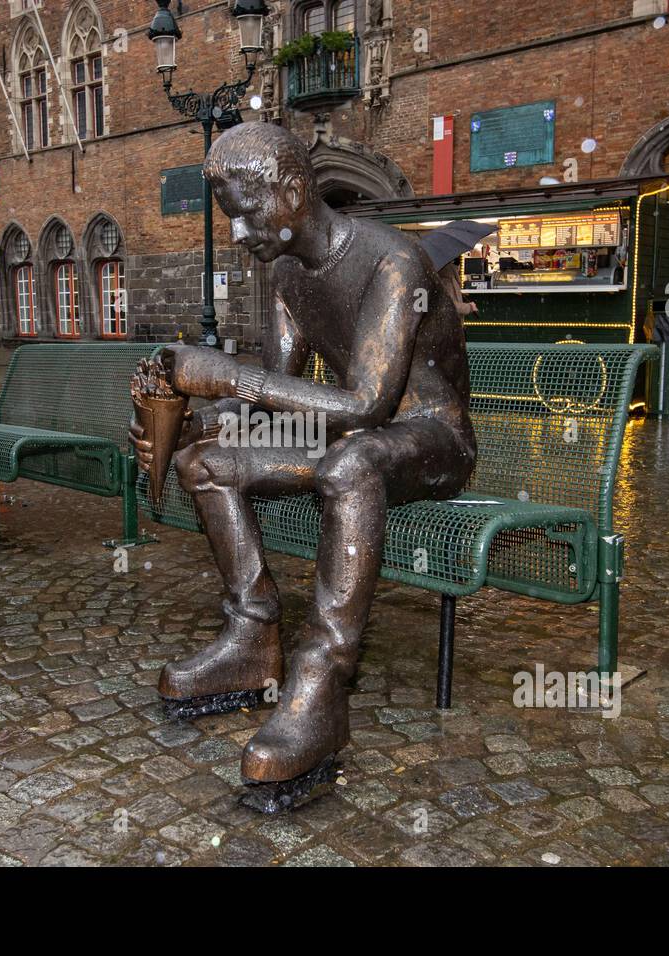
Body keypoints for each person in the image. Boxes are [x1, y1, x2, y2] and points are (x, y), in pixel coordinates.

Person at [130, 123, 476, 791]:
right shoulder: (287, 272)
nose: (236, 233)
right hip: (349, 430)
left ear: (291, 192)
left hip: (431, 439)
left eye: (246, 212)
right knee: (207, 462)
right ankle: (252, 639)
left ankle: (322, 683)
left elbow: (368, 406)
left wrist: (229, 375)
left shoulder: (394, 263)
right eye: (228, 218)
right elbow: (267, 401)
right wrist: (183, 422)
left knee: (351, 465)